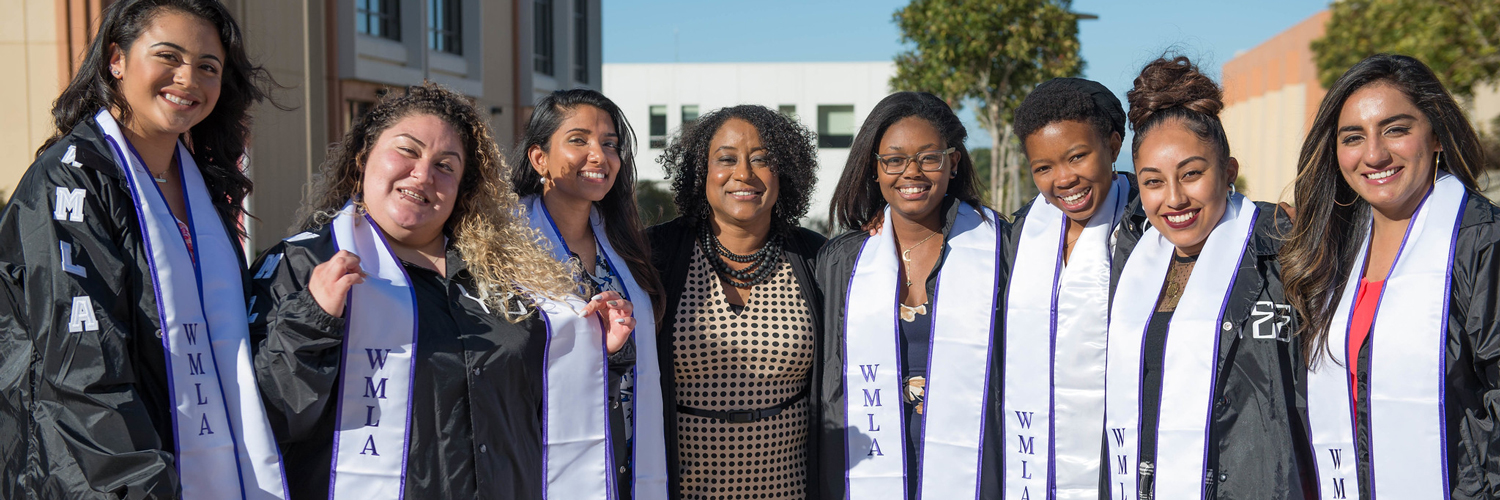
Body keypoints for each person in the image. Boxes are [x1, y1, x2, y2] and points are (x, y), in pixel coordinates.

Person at [247, 83, 637, 499]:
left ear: (462, 187)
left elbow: (548, 411)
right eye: (407, 151)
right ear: (363, 157)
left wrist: (595, 352)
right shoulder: (303, 264)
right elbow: (264, 419)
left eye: (445, 166)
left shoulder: (511, 274)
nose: (423, 174)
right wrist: (313, 320)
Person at [0, 1, 285, 497]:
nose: (188, 79)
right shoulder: (70, 184)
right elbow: (83, 372)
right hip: (102, 478)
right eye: (168, 56)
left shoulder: (202, 188)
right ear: (117, 59)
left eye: (208, 67)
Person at [1282, 54, 1500, 500]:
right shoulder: (1331, 254)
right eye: (1353, 137)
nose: (1374, 154)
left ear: (1436, 135)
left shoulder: (1483, 243)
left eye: (1395, 129)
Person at [1101, 56, 1311, 500]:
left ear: (1229, 172)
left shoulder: (1283, 252)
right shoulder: (1132, 262)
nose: (1174, 198)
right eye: (1153, 182)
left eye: (1192, 174)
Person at [817, 91, 1006, 499]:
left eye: (929, 158)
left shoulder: (1000, 247)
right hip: (866, 470)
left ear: (953, 162)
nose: (912, 172)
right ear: (875, 168)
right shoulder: (842, 261)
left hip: (975, 470)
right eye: (895, 160)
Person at [648, 104, 827, 499]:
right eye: (726, 159)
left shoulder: (817, 258)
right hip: (683, 489)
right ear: (701, 172)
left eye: (762, 160)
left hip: (790, 489)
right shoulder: (655, 255)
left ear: (784, 173)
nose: (744, 174)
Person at [509, 88, 669, 500]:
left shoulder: (623, 242)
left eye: (610, 144)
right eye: (578, 140)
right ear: (539, 158)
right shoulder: (505, 245)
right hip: (541, 456)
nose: (599, 156)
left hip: (626, 447)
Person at [1001, 77, 1147, 499]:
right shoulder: (1021, 232)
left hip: (1123, 454)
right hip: (1033, 457)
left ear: (1114, 146)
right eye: (1043, 168)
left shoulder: (1149, 227)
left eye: (1077, 157)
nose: (1063, 179)